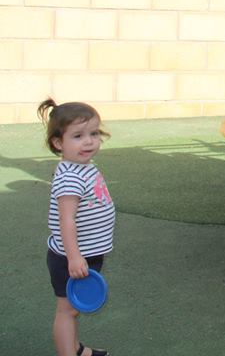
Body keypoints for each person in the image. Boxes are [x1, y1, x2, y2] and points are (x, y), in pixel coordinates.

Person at [39, 98, 115, 356]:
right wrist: (74, 257)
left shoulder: (82, 167)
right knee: (67, 310)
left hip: (85, 254)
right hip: (71, 257)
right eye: (78, 136)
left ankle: (76, 349)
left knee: (73, 308)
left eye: (94, 133)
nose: (89, 141)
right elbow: (66, 220)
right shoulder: (71, 176)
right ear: (58, 143)